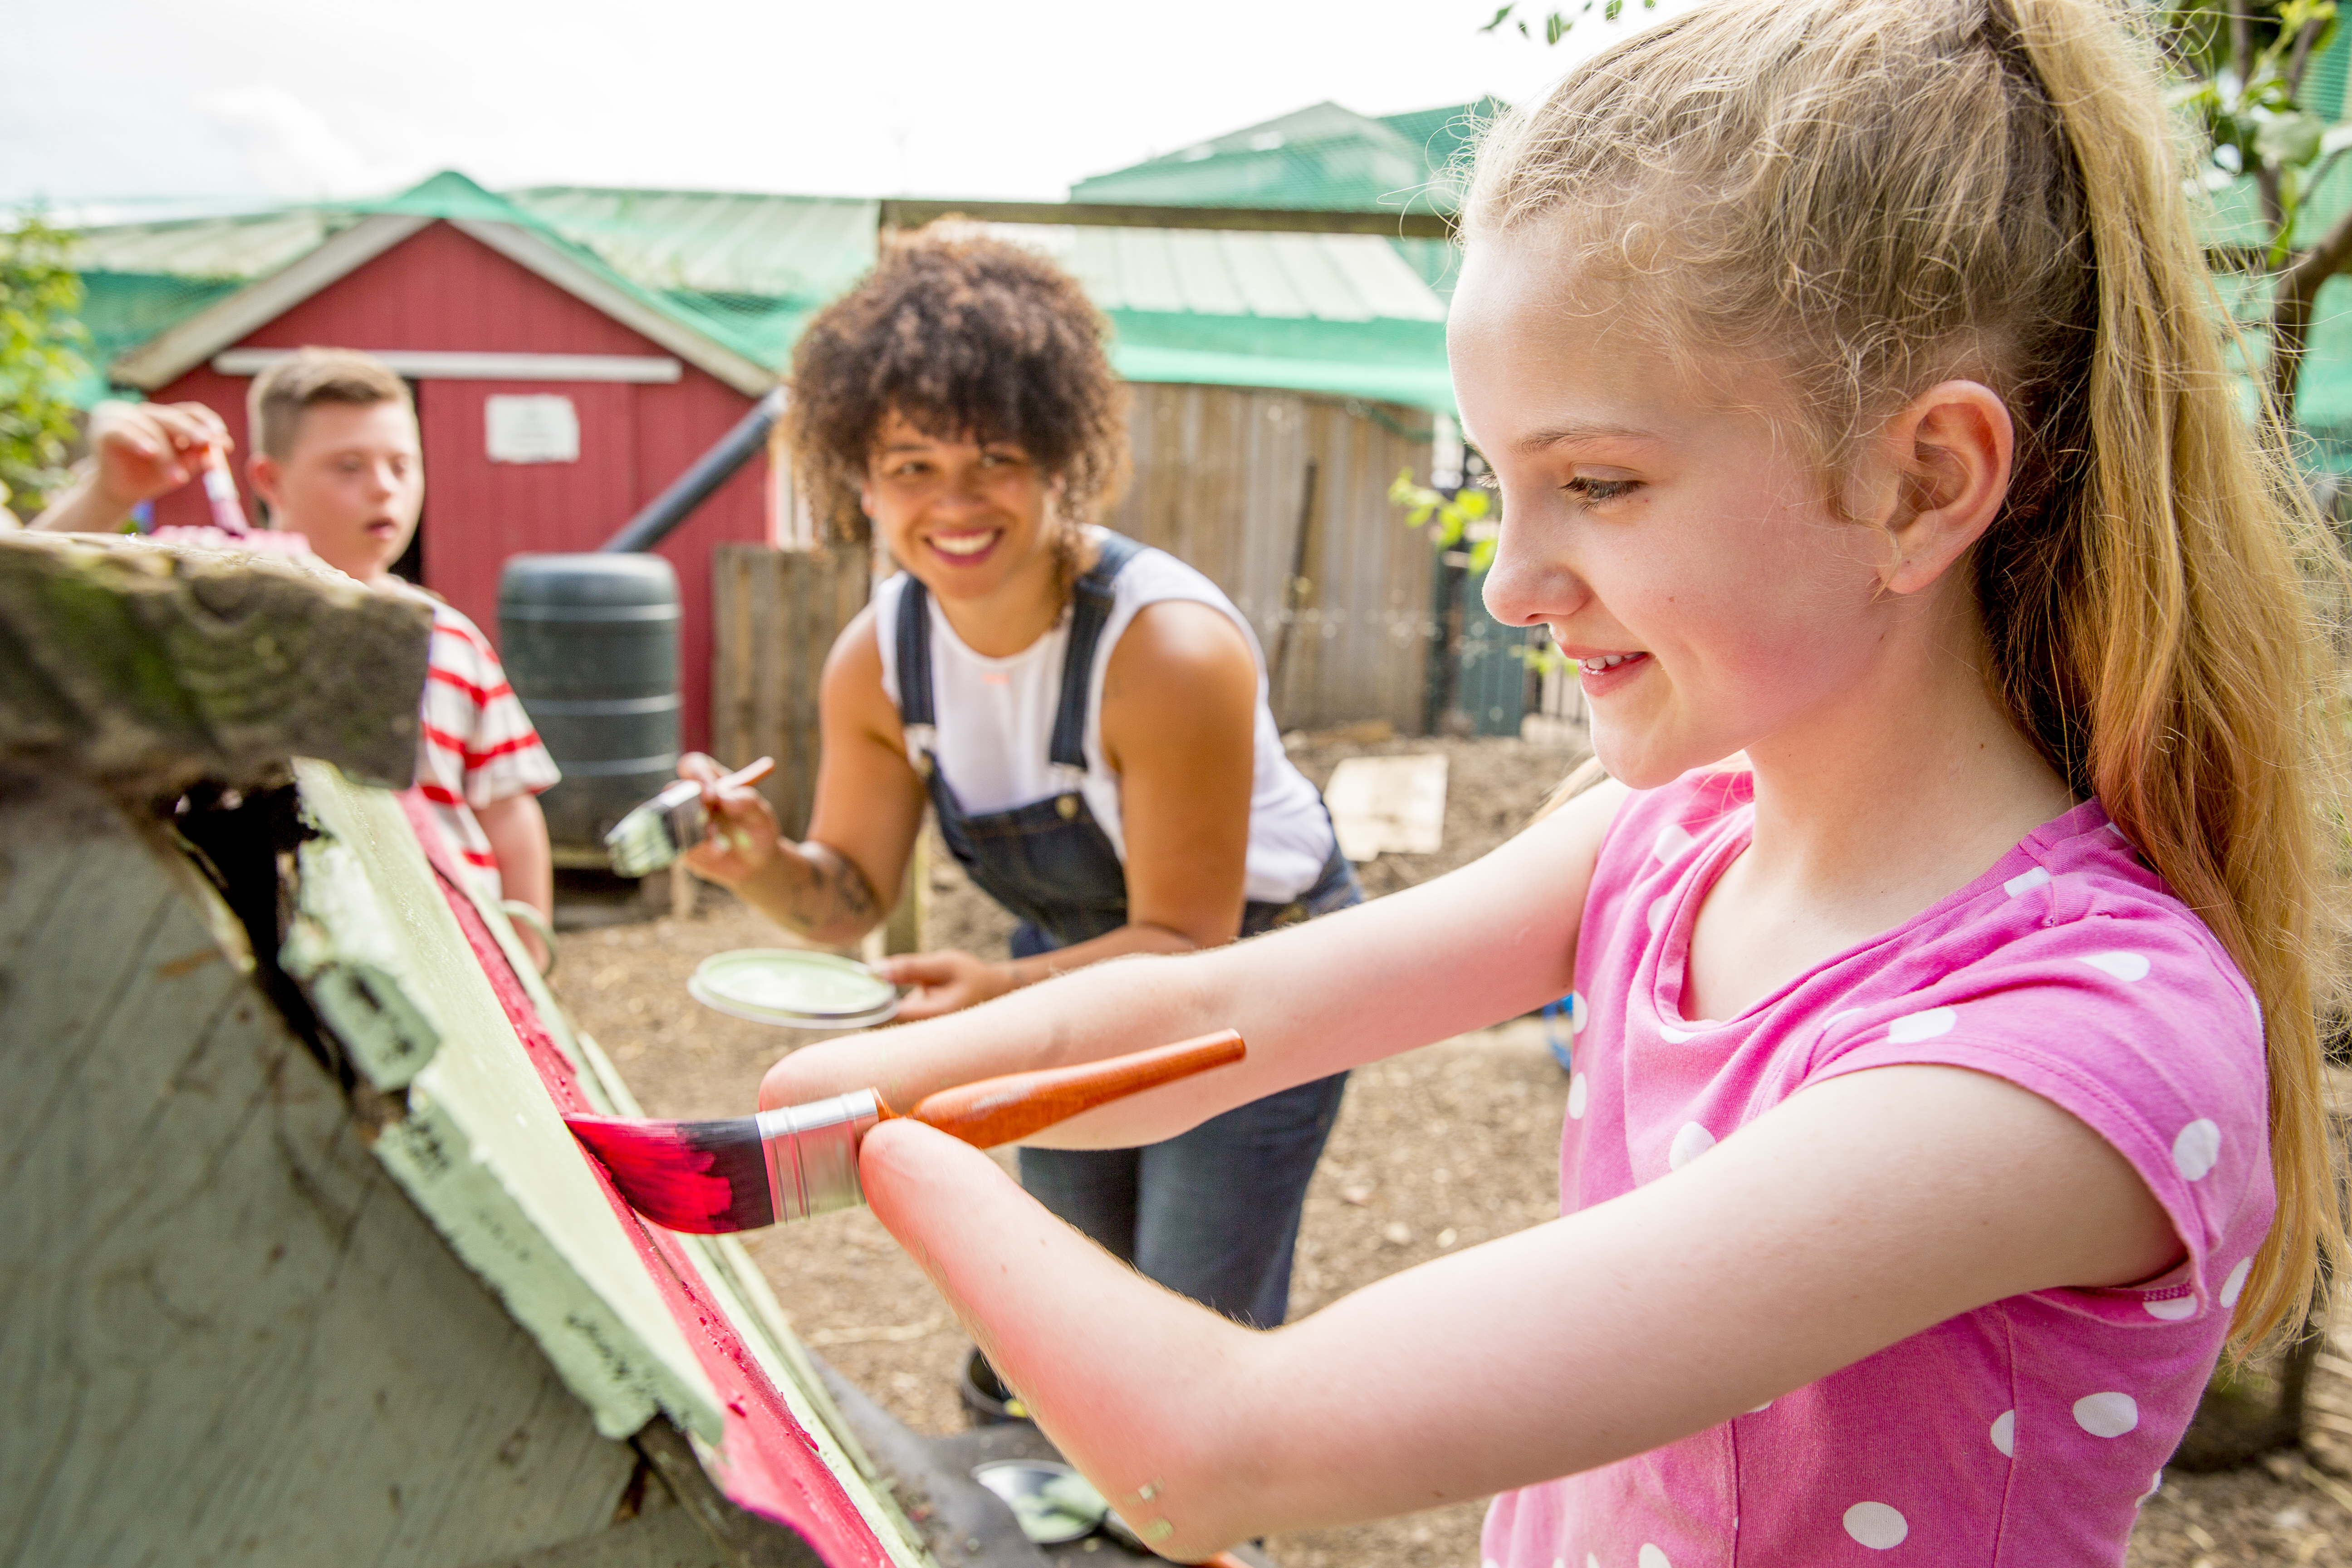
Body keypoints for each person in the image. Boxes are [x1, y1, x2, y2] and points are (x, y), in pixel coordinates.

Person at [750, 2, 2346, 1563]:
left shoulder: (2066, 1045)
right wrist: (861, 1082)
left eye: (1595, 482)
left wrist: (868, 1150)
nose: (1511, 580)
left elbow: (1215, 1443)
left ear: (1919, 481)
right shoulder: (1670, 837)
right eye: (1500, 483)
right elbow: (1205, 1014)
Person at [679, 231, 1359, 1347]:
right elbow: (845, 898)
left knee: (1189, 1314)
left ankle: (1192, 1522)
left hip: (1257, 968)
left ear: (1060, 461)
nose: (955, 503)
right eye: (911, 466)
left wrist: (992, 995)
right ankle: (1062, 1500)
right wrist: (754, 859)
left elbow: (1186, 945)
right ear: (860, 478)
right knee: (1064, 1284)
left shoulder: (1165, 649)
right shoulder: (880, 657)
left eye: (994, 457)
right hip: (1074, 965)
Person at [32, 355, 559, 963]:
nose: (385, 486)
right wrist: (109, 492)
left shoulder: (452, 639)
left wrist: (530, 953)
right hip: (266, 961)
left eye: (401, 464)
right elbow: (31, 606)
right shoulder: (204, 609)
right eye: (349, 466)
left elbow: (507, 809)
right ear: (269, 482)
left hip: (462, 966)